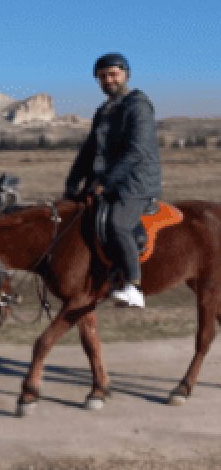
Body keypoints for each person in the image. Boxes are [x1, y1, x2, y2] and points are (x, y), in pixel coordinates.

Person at [63, 52, 162, 308]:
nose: (108, 80)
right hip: (107, 182)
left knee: (118, 223)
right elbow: (89, 150)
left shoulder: (138, 105)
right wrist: (73, 182)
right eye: (102, 76)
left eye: (113, 74)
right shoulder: (103, 111)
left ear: (125, 75)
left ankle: (133, 285)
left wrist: (106, 181)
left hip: (135, 183)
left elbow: (137, 151)